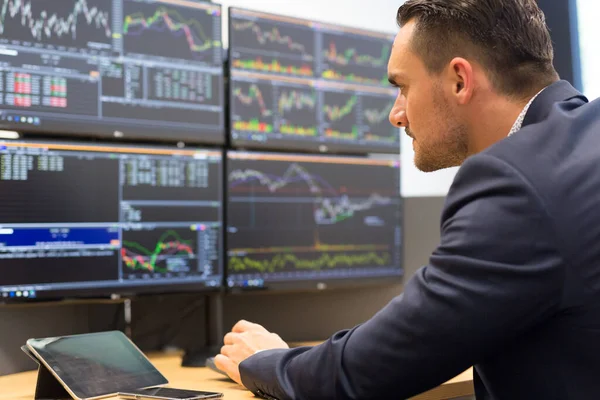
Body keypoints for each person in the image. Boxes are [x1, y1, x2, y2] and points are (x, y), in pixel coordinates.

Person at [215, 0, 600, 398]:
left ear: (459, 81)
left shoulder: (518, 183)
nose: (395, 115)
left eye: (402, 87)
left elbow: (369, 370)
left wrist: (266, 360)